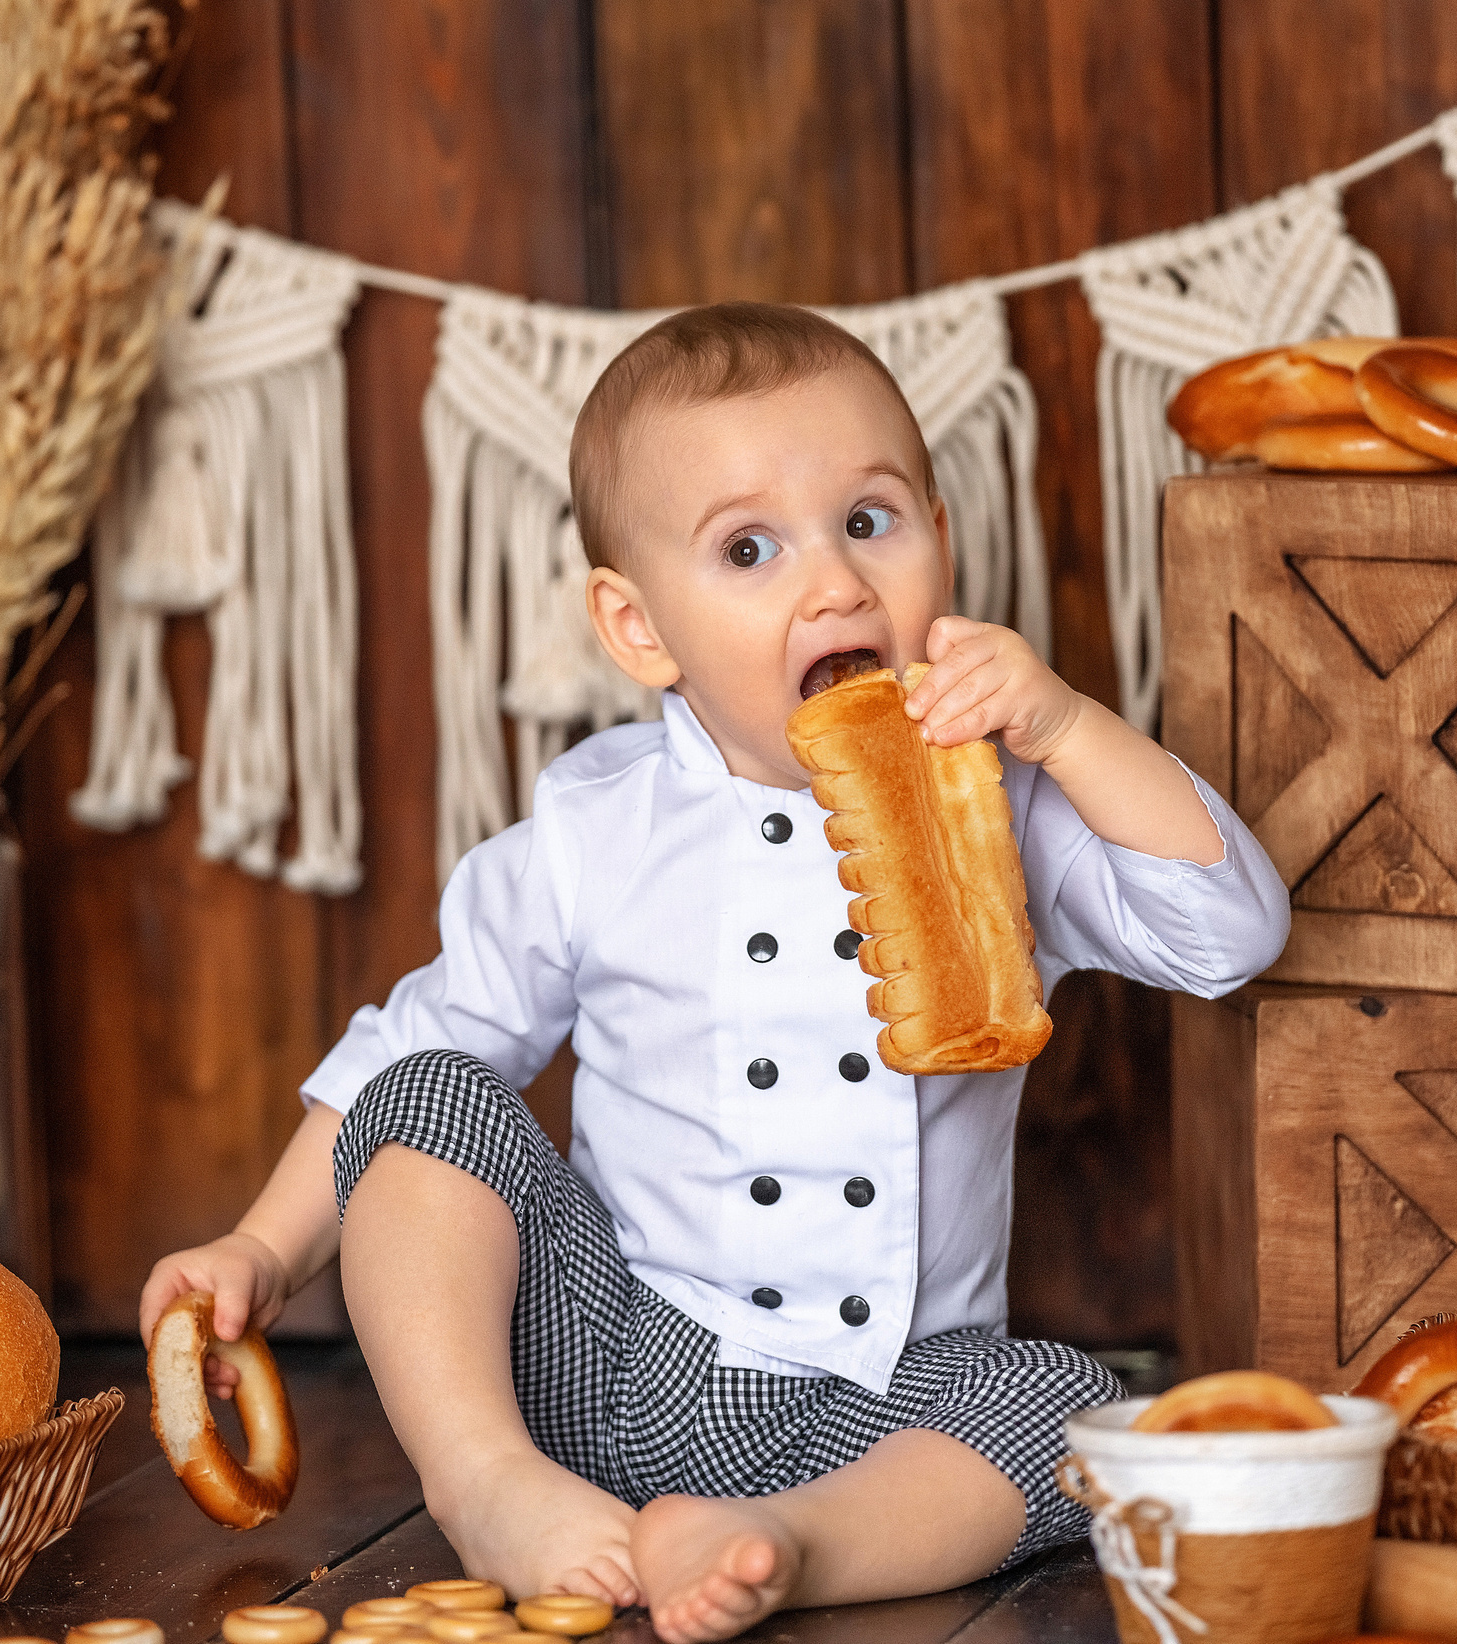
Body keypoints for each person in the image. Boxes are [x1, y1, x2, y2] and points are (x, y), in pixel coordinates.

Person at [141, 302, 1290, 1643]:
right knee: (429, 1091)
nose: (837, 584)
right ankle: (488, 1483)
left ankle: (792, 1544)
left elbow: (1228, 934)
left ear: (941, 537)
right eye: (751, 549)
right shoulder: (593, 828)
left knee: (1079, 1412)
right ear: (639, 628)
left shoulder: (1005, 806)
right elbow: (403, 1057)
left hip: (896, 1401)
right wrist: (263, 1248)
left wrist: (1072, 728)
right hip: (618, 1360)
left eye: (870, 521)